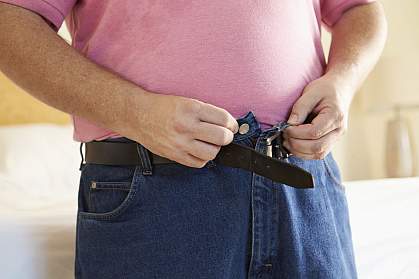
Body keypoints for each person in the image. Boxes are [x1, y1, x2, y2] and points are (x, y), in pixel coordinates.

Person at [0, 1, 387, 278]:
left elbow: (360, 9)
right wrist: (136, 112)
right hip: (157, 191)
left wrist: (342, 83)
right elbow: (10, 19)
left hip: (305, 186)